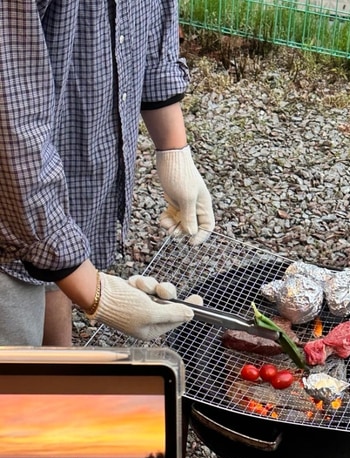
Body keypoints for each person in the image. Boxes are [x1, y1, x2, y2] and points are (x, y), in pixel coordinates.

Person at [0, 2, 214, 346]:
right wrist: (95, 292)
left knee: (52, 361)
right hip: (7, 215)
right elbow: (9, 126)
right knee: (13, 383)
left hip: (52, 182)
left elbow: (151, 21)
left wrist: (175, 152)